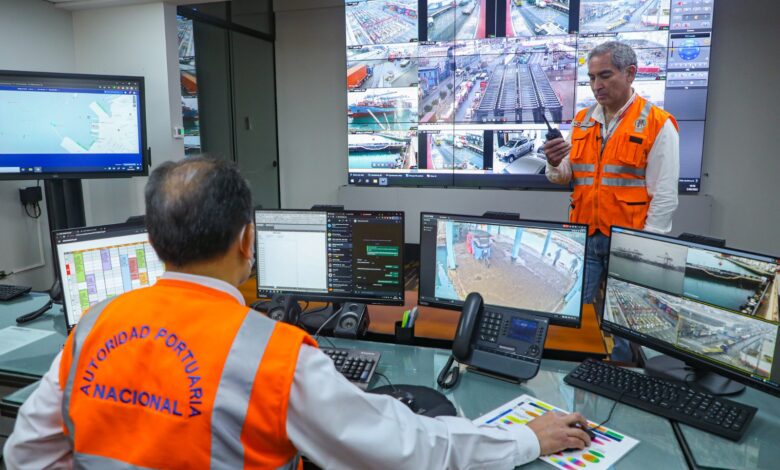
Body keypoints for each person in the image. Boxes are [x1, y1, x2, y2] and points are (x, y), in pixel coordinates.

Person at [4, 156, 592, 469]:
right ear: (246, 241)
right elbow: (408, 451)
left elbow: (25, 453)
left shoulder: (92, 327)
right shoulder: (273, 355)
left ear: (154, 243)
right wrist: (525, 442)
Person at [543, 41, 679, 362]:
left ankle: (621, 373)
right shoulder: (581, 120)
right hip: (585, 235)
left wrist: (647, 249)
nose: (596, 86)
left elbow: (665, 196)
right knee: (572, 309)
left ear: (630, 73)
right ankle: (570, 367)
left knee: (625, 321)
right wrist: (552, 162)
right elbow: (565, 177)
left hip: (628, 240)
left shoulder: (658, 123)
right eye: (591, 78)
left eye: (605, 76)